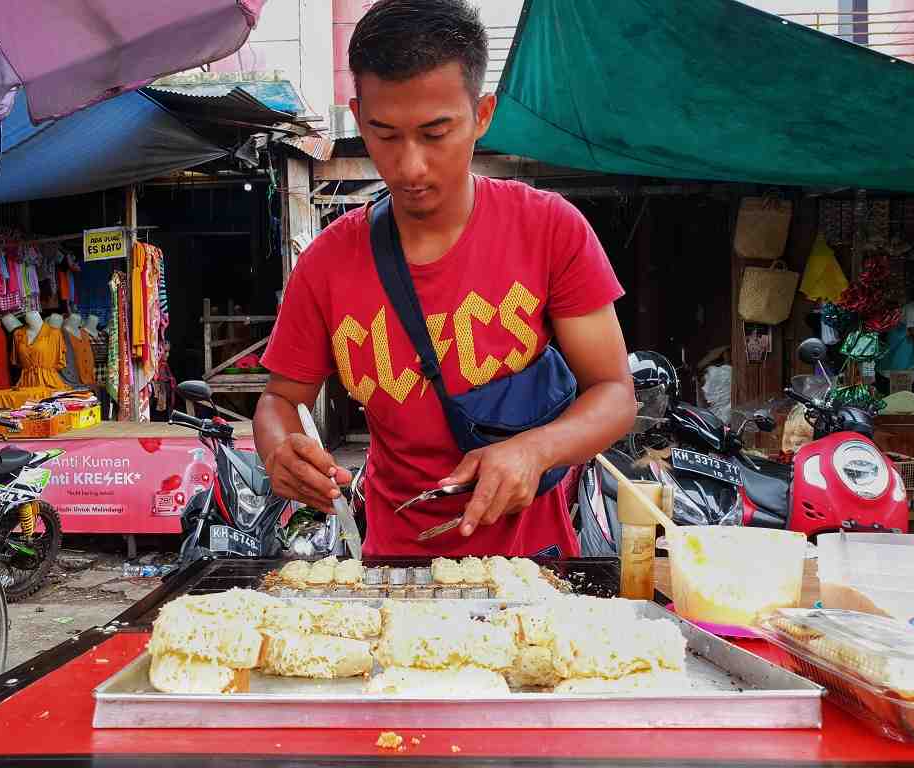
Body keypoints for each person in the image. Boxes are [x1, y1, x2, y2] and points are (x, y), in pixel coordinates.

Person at [254, 0, 635, 557]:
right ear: (359, 119)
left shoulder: (550, 229)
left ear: (482, 114)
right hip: (395, 565)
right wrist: (279, 448)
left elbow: (613, 393)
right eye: (385, 134)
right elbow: (280, 400)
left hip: (535, 566)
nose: (410, 166)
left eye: (436, 133)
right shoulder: (326, 265)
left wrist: (535, 449)